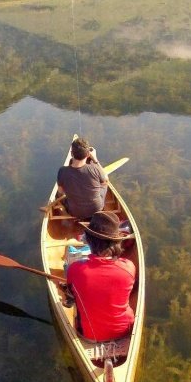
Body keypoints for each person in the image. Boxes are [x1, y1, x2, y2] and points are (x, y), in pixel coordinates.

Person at [63, 211, 136, 342]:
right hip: (125, 331)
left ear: (89, 241)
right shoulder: (129, 267)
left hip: (90, 335)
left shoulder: (75, 269)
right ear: (116, 242)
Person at [57, 137, 108, 219]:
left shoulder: (62, 171)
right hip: (97, 209)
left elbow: (60, 192)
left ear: (71, 153)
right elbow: (105, 180)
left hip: (74, 212)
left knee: (59, 195)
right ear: (88, 155)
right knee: (104, 183)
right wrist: (95, 159)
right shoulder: (95, 168)